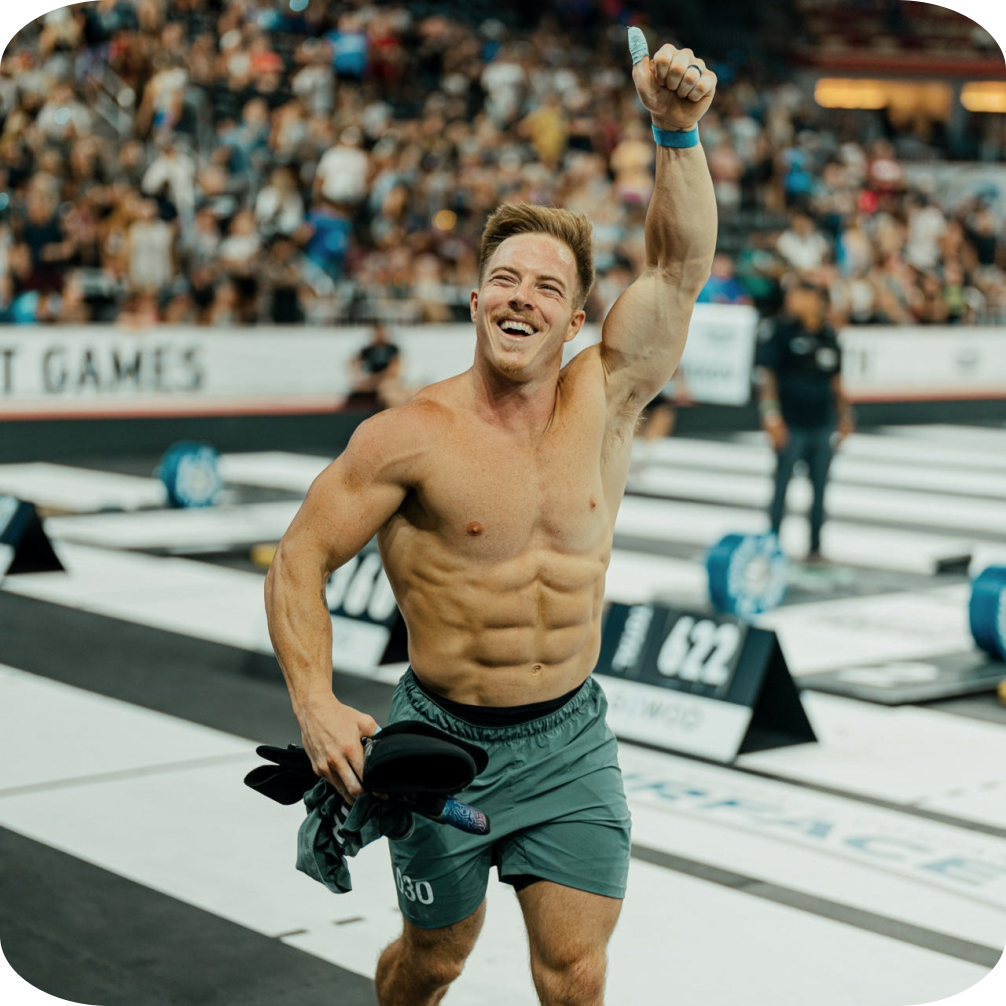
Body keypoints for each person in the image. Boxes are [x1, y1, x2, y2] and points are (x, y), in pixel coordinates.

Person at [265, 36, 717, 1006]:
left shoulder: (608, 394)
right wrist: (314, 701)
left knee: (576, 972)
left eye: (549, 287)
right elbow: (298, 556)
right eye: (507, 280)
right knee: (434, 960)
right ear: (476, 301)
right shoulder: (408, 436)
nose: (523, 298)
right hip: (442, 742)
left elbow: (678, 270)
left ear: (575, 318)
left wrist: (675, 133)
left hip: (569, 737)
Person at [756, 279, 855, 563]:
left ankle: (815, 547)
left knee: (820, 488)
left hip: (822, 423)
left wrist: (846, 416)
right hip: (791, 423)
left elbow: (836, 381)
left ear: (816, 300)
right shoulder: (780, 331)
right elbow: (767, 378)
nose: (792, 301)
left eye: (800, 296)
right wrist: (771, 416)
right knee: (781, 487)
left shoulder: (828, 335)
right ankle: (772, 546)